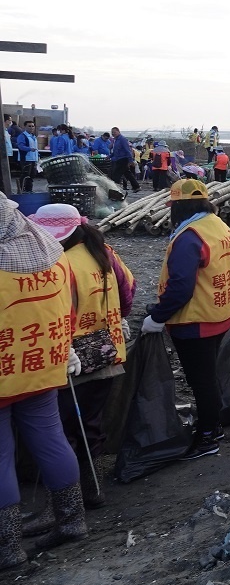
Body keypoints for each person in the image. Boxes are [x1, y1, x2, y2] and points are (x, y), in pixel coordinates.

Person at [0, 198, 89, 568]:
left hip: (5, 372)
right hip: (43, 365)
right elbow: (68, 308)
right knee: (51, 439)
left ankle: (7, 547)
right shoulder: (52, 252)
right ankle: (72, 519)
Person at [29, 204, 135, 508]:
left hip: (71, 358)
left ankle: (65, 504)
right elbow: (128, 292)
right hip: (108, 352)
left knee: (62, 432)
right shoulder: (104, 252)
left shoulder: (58, 262)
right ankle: (93, 489)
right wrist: (118, 318)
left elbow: (49, 310)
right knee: (89, 424)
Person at [142, 180, 230, 459]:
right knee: (208, 376)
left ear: (179, 206)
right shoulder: (219, 225)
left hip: (195, 320)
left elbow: (181, 287)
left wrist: (158, 316)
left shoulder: (189, 236)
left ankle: (207, 436)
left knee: (201, 380)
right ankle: (214, 425)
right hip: (220, 312)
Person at [109, 127, 140, 192]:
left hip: (123, 159)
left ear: (118, 131)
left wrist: (131, 160)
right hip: (118, 159)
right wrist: (110, 156)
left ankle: (115, 190)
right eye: (112, 132)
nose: (113, 133)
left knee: (116, 175)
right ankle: (136, 186)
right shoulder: (116, 140)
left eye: (114, 132)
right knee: (127, 173)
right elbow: (115, 151)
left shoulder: (122, 139)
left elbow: (127, 150)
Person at [16, 120, 40, 193]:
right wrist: (29, 149)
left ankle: (29, 190)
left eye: (32, 126)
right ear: (25, 127)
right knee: (25, 175)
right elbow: (21, 146)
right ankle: (21, 190)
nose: (31, 128)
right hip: (26, 158)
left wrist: (38, 156)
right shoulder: (22, 136)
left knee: (32, 175)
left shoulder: (33, 137)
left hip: (34, 159)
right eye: (29, 126)